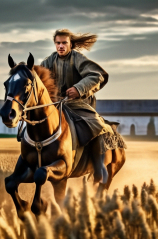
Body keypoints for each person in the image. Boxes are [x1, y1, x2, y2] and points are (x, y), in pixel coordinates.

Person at [40, 28, 120, 187]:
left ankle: (99, 167)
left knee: (97, 125)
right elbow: (38, 77)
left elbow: (97, 75)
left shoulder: (77, 58)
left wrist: (78, 89)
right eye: (58, 43)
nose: (61, 46)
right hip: (56, 104)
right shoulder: (49, 61)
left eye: (64, 43)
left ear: (71, 44)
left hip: (79, 104)